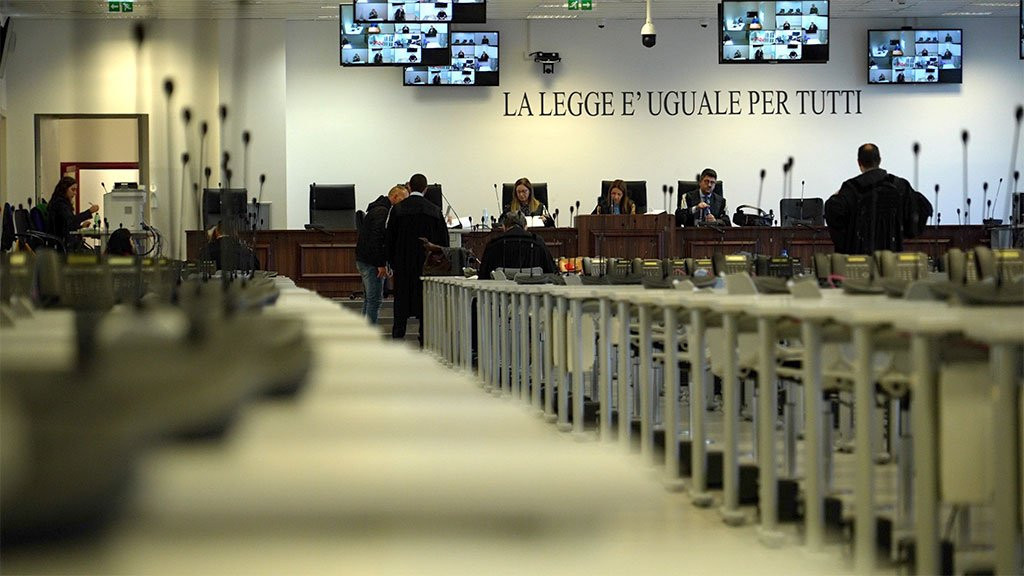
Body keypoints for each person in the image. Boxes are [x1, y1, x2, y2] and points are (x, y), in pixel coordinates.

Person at [825, 143, 926, 254]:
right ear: (879, 160)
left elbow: (833, 212)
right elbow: (921, 207)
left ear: (859, 162)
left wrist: (834, 198)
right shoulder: (899, 186)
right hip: (892, 258)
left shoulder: (850, 189)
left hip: (859, 259)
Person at [385, 172, 448, 343]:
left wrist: (391, 262)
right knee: (425, 305)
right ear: (426, 189)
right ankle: (424, 340)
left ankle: (398, 338)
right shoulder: (434, 211)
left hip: (403, 264)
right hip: (426, 266)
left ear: (409, 187)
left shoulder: (397, 209)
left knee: (401, 304)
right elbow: (443, 243)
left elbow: (389, 238)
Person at [355, 184, 409, 324]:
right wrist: (381, 264)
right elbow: (376, 239)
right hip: (371, 262)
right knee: (375, 301)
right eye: (403, 199)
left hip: (364, 259)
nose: (404, 203)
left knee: (369, 299)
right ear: (395, 196)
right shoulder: (382, 212)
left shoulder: (377, 208)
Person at [477, 211, 557, 280]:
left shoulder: (493, 245)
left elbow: (483, 276)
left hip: (500, 295)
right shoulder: (538, 243)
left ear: (504, 227)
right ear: (526, 227)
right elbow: (552, 273)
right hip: (531, 294)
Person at [47, 176, 98, 251]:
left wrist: (81, 227)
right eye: (72, 190)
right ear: (64, 189)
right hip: (63, 244)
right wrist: (89, 212)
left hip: (65, 240)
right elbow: (70, 221)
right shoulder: (59, 204)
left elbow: (67, 223)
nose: (75, 193)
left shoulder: (61, 202)